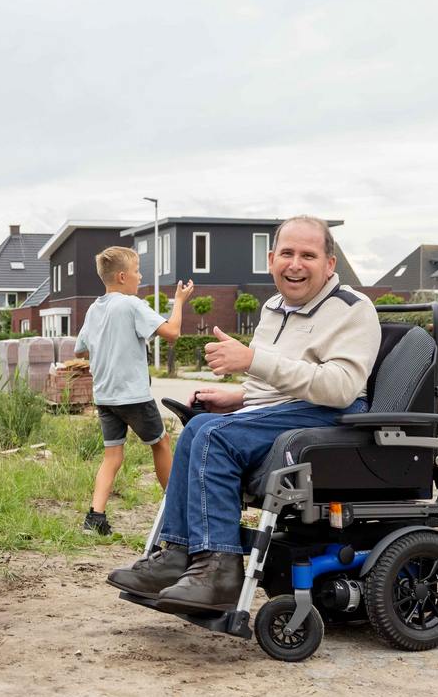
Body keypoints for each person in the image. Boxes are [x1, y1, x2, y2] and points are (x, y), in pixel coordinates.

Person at [107, 216, 379, 613]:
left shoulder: (352, 310)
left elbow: (340, 388)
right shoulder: (273, 307)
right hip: (285, 411)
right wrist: (239, 397)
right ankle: (179, 554)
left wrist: (252, 361)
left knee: (216, 438)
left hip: (328, 417)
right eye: (286, 253)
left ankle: (219, 572)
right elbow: (273, 385)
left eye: (308, 255)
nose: (295, 264)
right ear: (271, 259)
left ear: (330, 264)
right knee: (199, 424)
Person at [74, 247, 192, 536]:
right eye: (138, 271)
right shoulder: (131, 305)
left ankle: (95, 517)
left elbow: (81, 347)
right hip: (133, 396)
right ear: (123, 276)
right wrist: (178, 301)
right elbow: (173, 333)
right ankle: (178, 509)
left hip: (105, 396)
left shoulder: (94, 308)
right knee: (161, 443)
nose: (140, 277)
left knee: (112, 456)